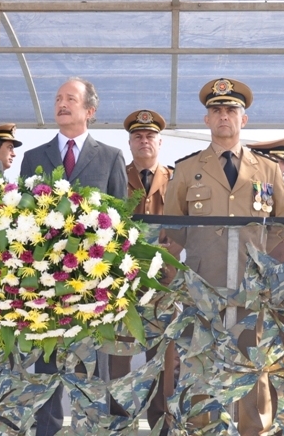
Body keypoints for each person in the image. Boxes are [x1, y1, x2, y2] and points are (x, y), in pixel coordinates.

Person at [164, 78, 284, 435]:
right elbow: (174, 228)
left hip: (252, 286)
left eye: (231, 110)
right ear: (207, 119)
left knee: (253, 366)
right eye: (217, 110)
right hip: (203, 286)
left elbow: (282, 225)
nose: (224, 116)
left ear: (243, 120)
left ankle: (255, 431)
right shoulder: (188, 169)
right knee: (202, 366)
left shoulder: (266, 169)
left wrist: (263, 264)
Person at [19, 77, 128, 436]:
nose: (61, 104)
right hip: (46, 284)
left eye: (70, 99)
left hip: (91, 285)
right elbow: (22, 218)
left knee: (90, 369)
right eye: (57, 99)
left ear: (89, 110)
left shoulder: (111, 157)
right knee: (46, 368)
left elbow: (121, 223)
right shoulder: (33, 157)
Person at [109, 109, 175, 434]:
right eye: (138, 136)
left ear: (159, 142)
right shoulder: (116, 178)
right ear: (130, 143)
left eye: (150, 136)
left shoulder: (175, 180)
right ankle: (121, 426)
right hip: (124, 287)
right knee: (119, 360)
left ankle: (161, 427)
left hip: (164, 288)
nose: (144, 140)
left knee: (163, 362)